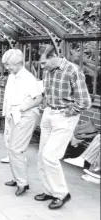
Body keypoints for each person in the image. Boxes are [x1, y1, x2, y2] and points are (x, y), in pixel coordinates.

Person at [36, 44, 91, 209]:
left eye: (44, 63)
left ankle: (62, 194)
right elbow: (47, 92)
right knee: (41, 156)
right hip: (48, 114)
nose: (42, 66)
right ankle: (49, 191)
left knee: (50, 156)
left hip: (64, 117)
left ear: (53, 56)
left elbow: (85, 101)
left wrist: (68, 112)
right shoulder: (48, 71)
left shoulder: (73, 70)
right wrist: (45, 105)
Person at [1, 49, 43, 196]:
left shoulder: (28, 78)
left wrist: (23, 108)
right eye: (6, 64)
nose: (7, 68)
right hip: (15, 115)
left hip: (26, 115)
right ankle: (16, 177)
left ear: (19, 63)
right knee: (11, 147)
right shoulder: (13, 76)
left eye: (9, 65)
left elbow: (38, 99)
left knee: (16, 149)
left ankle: (22, 183)